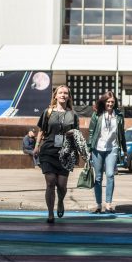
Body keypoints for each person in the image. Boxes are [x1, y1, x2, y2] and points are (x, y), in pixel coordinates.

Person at [34, 84, 80, 224]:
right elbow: (41, 130)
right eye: (60, 93)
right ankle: (50, 214)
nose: (63, 95)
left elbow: (77, 134)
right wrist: (37, 146)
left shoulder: (72, 115)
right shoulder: (47, 112)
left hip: (65, 152)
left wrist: (77, 152)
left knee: (62, 185)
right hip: (48, 151)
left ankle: (60, 201)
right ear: (55, 95)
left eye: (66, 93)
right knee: (50, 183)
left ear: (68, 96)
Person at [87, 91, 127, 214]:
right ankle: (98, 205)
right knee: (98, 178)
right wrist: (89, 149)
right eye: (108, 101)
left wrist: (124, 149)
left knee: (110, 174)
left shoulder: (119, 115)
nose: (110, 104)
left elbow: (121, 134)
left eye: (112, 102)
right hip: (97, 148)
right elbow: (91, 132)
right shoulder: (97, 114)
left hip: (112, 148)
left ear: (115, 103)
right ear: (103, 102)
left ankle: (108, 204)